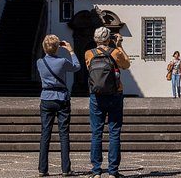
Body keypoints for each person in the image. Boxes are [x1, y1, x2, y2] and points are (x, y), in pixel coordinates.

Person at [84, 27, 131, 178]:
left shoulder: (89, 53)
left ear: (95, 39)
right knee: (114, 132)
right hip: (115, 94)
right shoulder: (115, 52)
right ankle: (113, 171)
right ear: (108, 39)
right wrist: (119, 45)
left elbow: (89, 69)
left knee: (96, 132)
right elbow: (126, 65)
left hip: (96, 96)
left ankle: (96, 171)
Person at [37, 34, 80, 177]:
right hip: (61, 98)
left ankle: (43, 170)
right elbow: (77, 67)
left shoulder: (40, 62)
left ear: (44, 47)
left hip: (46, 98)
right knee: (63, 134)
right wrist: (71, 50)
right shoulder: (62, 61)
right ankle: (65, 169)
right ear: (57, 48)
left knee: (45, 134)